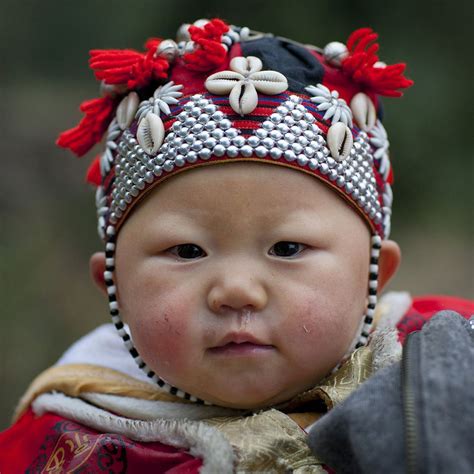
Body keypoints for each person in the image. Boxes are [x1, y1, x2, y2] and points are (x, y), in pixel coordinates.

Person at [0, 19, 472, 473]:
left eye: (287, 248)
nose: (237, 290)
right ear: (112, 283)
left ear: (376, 270)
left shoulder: (436, 371)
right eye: (187, 252)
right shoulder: (69, 436)